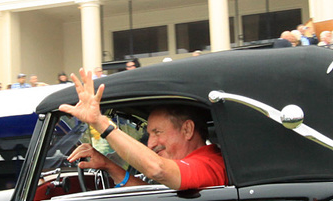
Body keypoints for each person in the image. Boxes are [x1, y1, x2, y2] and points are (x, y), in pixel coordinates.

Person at [56, 69, 226, 190]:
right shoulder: (197, 164)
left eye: (158, 132)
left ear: (187, 130)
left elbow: (158, 169)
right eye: (149, 134)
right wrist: (109, 165)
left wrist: (100, 123)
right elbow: (157, 197)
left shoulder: (209, 163)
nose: (150, 144)